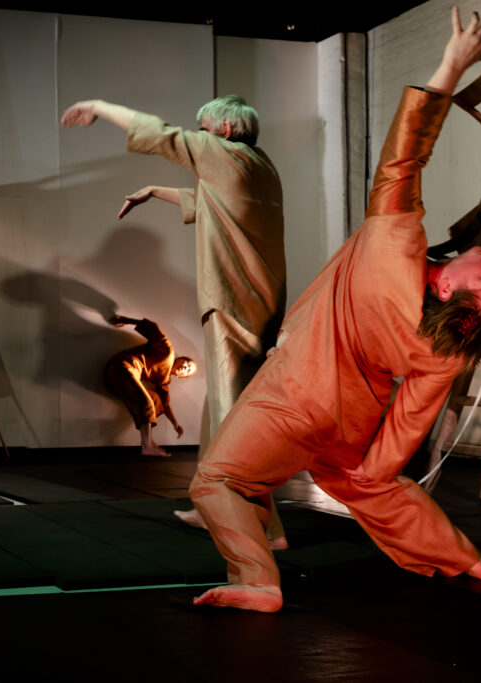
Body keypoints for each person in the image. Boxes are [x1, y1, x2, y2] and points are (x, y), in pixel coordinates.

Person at [186, 8, 481, 613]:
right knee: (366, 482)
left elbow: (403, 157)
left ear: (451, 291)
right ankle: (464, 558)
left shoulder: (393, 249)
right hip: (348, 423)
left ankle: (258, 580)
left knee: (216, 481)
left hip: (294, 395)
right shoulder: (443, 353)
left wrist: (450, 65)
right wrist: (369, 470)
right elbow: (391, 453)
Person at [61, 81, 288, 546]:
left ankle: (265, 527)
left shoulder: (222, 153)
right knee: (220, 407)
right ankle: (214, 506)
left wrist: (99, 104)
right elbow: (215, 204)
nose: (199, 133)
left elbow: (162, 134)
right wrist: (154, 191)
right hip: (261, 301)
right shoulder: (261, 168)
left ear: (224, 129)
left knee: (232, 416)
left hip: (231, 303)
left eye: (204, 127)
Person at [103, 315, 196, 456]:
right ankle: (147, 446)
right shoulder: (167, 352)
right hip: (121, 367)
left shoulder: (164, 381)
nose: (186, 367)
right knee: (146, 401)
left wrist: (175, 424)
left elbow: (165, 405)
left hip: (119, 383)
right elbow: (153, 328)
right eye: (187, 363)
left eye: (188, 370)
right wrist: (125, 320)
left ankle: (149, 442)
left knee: (155, 400)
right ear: (180, 358)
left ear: (180, 376)